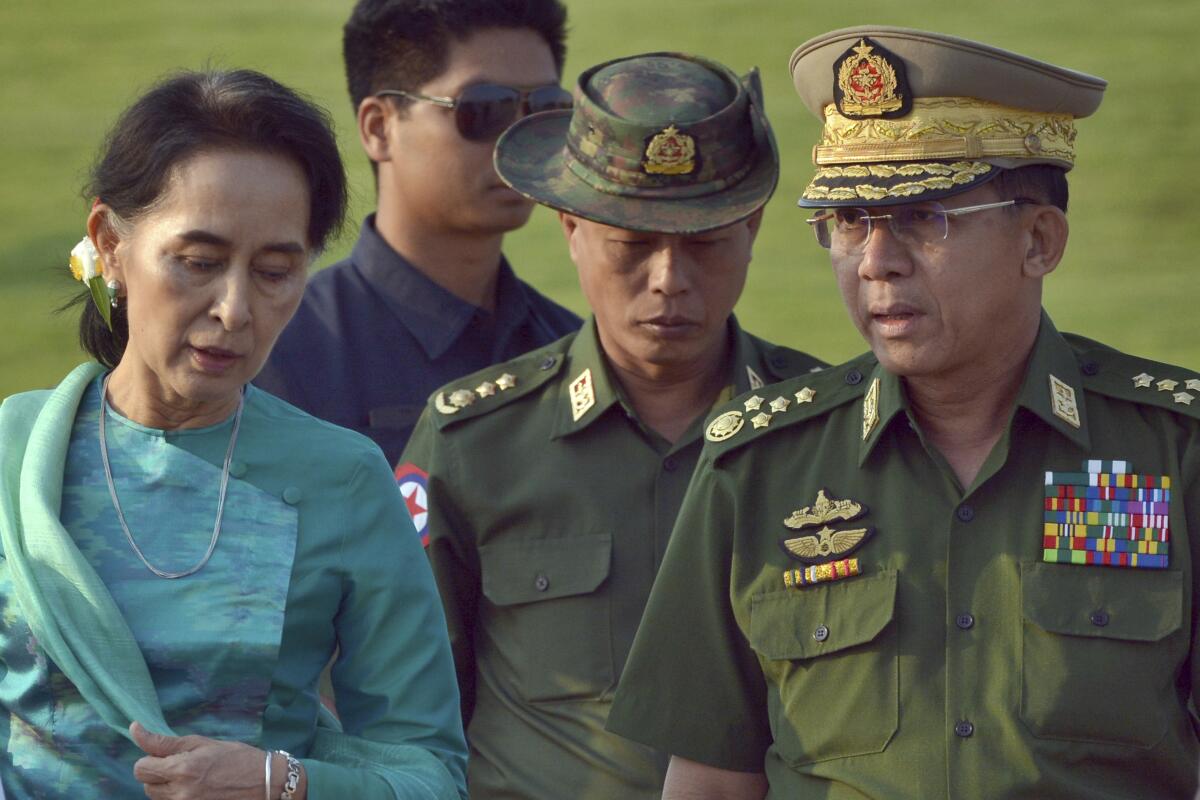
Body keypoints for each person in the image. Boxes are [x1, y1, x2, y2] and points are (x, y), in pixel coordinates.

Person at [607, 26, 1200, 800]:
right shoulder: (757, 466)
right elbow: (712, 782)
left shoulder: (1170, 452)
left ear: (1039, 241)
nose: (875, 260)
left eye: (923, 217)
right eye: (848, 221)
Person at [0, 69, 467, 799]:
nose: (234, 308)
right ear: (110, 245)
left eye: (276, 271)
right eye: (199, 262)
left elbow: (430, 774)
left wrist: (284, 783)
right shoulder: (15, 455)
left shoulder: (340, 479)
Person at [400, 52, 827, 799]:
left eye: (705, 242)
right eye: (632, 246)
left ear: (753, 227)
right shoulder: (471, 444)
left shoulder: (828, 432)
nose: (669, 279)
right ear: (571, 227)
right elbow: (407, 704)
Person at [255, 0, 582, 472]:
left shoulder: (573, 349)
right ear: (379, 128)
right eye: (485, 109)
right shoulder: (277, 352)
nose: (520, 139)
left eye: (546, 110)